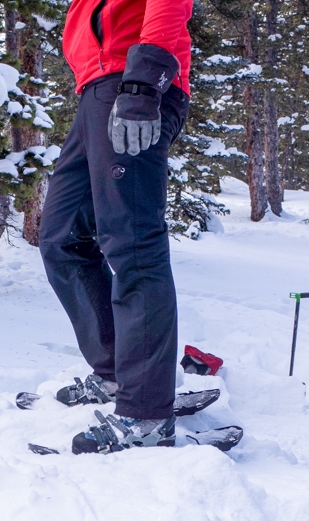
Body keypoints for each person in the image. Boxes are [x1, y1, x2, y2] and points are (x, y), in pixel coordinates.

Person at [38, 0, 192, 453]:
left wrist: (145, 84)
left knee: (134, 248)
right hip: (96, 93)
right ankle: (113, 374)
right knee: (61, 239)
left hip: (133, 84)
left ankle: (145, 414)